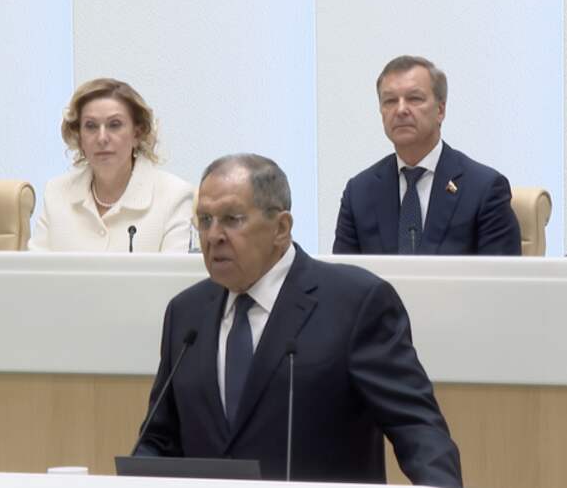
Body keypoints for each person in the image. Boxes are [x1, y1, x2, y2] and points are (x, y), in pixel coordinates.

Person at [134, 154, 462, 486]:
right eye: (205, 220)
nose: (213, 235)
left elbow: (416, 427)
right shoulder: (186, 313)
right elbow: (159, 440)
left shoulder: (355, 303)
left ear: (281, 228)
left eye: (232, 219)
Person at [333, 55, 521, 255]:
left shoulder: (483, 188)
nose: (401, 110)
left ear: (440, 110)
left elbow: (501, 274)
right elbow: (343, 273)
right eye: (390, 101)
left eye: (414, 99)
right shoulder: (359, 193)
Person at [28, 78, 193, 252]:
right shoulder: (56, 193)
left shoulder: (174, 196)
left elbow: (174, 270)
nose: (102, 138)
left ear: (137, 134)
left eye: (114, 125)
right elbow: (34, 268)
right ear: (79, 137)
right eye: (91, 126)